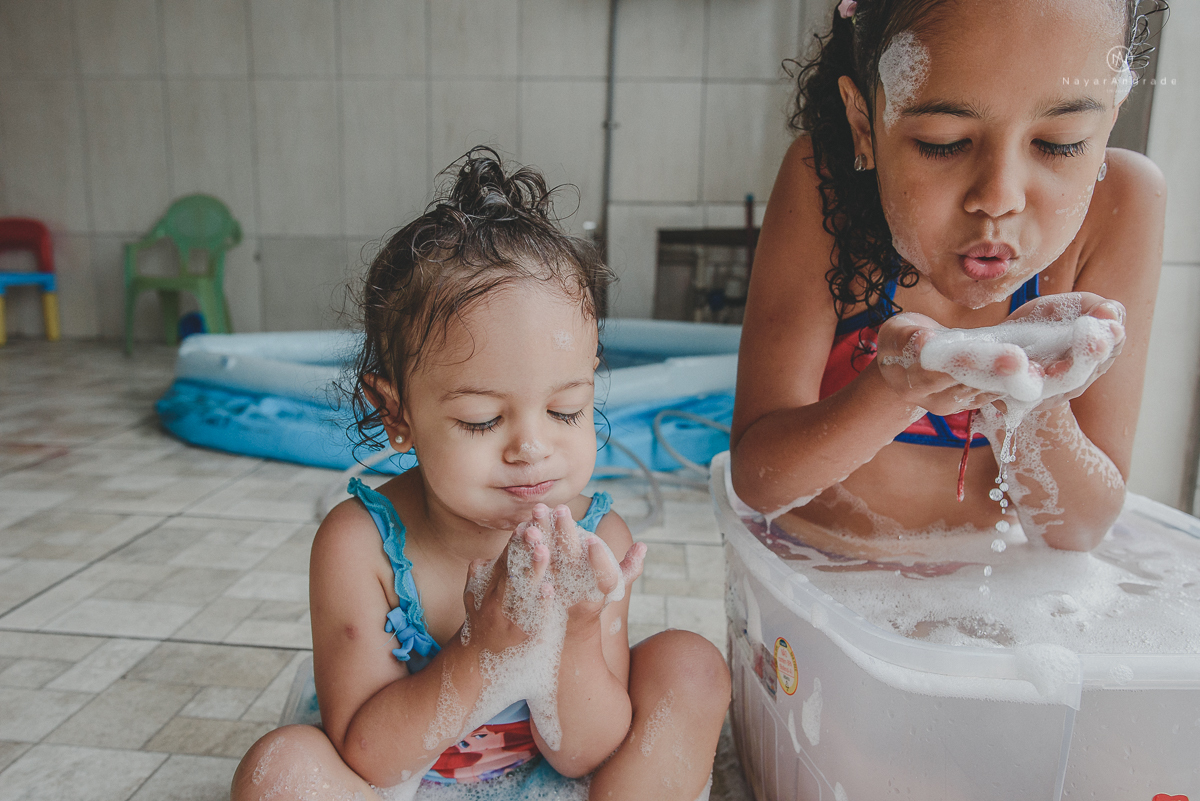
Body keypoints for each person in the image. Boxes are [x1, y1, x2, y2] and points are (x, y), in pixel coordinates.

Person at [231, 149, 729, 800]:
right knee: (280, 769)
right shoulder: (361, 546)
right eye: (480, 420)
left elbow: (584, 750)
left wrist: (574, 634)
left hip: (555, 784)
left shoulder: (593, 536)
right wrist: (481, 652)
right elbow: (369, 756)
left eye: (565, 409)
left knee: (689, 665)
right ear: (397, 413)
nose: (532, 446)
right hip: (407, 782)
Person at [731, 0, 1167, 553]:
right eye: (944, 142)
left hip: (1004, 603)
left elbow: (1079, 529)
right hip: (825, 576)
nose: (999, 197)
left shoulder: (1124, 202)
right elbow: (761, 484)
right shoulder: (825, 185)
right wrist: (894, 391)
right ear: (865, 123)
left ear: (1111, 117)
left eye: (1060, 142)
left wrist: (1032, 403)